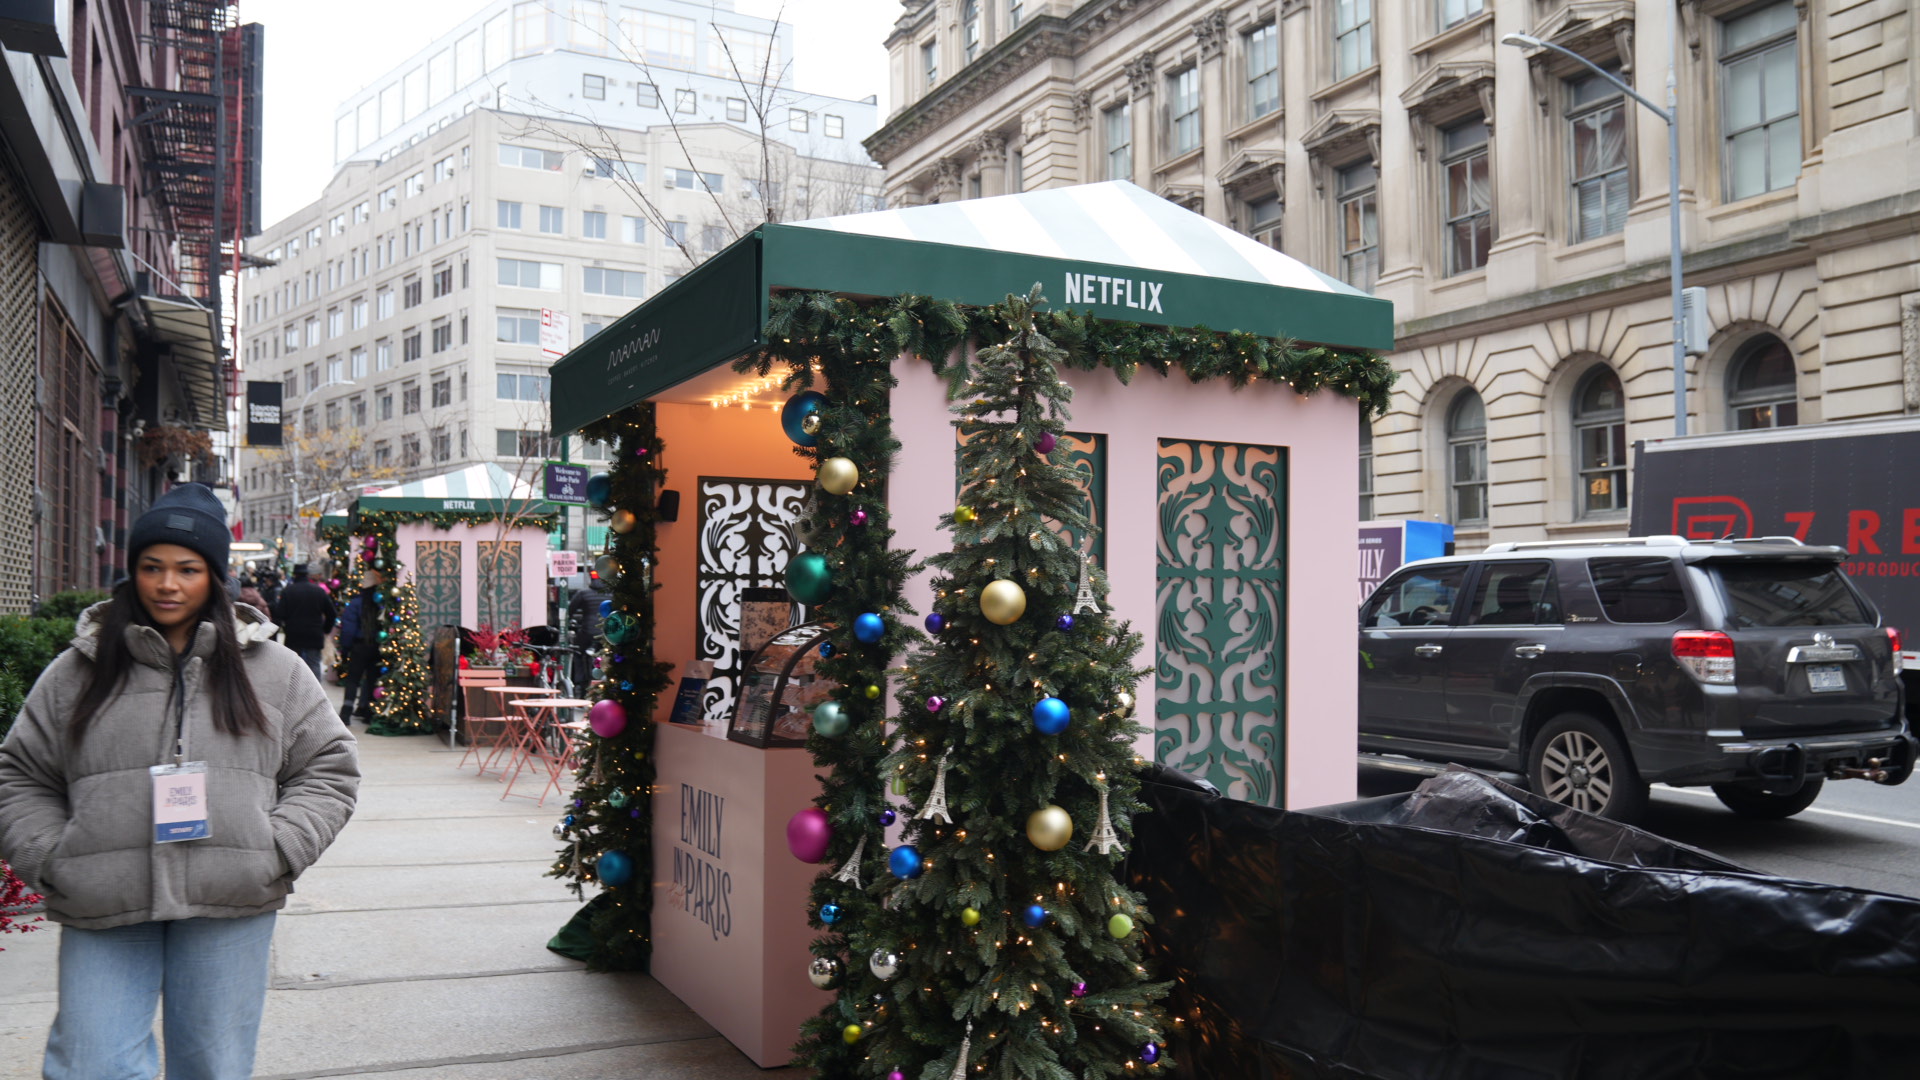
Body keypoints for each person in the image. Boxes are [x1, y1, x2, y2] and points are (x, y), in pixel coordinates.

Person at [0, 482, 359, 1080]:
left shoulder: (274, 671)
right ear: (133, 573)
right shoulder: (77, 671)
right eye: (152, 567)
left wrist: (276, 849)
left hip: (230, 901)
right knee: (90, 1065)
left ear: (214, 578)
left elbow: (328, 766)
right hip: (103, 900)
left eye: (187, 570)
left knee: (213, 1067)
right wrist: (52, 857)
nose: (168, 584)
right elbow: (19, 774)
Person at [336, 568, 386, 725]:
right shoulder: (382, 603)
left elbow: (348, 629)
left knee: (353, 680)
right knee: (372, 680)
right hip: (377, 646)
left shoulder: (356, 603)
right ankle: (369, 712)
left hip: (359, 647)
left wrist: (345, 649)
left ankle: (346, 713)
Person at [273, 563, 338, 682]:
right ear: (307, 575)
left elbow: (279, 614)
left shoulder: (288, 591)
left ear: (295, 575)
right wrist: (325, 629)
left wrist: (283, 628)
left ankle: (295, 690)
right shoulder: (319, 591)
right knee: (314, 665)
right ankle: (315, 692)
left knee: (294, 666)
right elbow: (332, 614)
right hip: (314, 634)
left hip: (294, 635)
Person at [565, 572, 612, 690]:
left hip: (587, 632)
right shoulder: (612, 594)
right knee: (610, 654)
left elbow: (570, 611)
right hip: (606, 632)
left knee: (577, 652)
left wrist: (568, 621)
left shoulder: (583, 593)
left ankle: (579, 682)